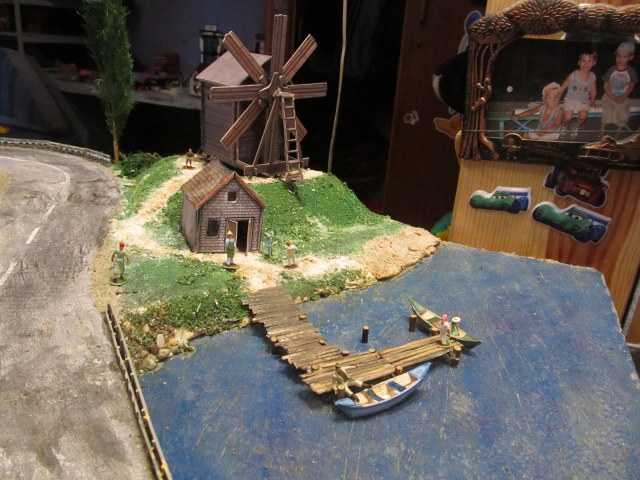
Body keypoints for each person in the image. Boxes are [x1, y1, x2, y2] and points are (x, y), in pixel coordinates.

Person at [601, 41, 638, 137]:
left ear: (630, 57)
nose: (620, 59)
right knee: (606, 113)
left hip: (623, 97)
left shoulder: (631, 71)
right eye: (618, 56)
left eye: (624, 56)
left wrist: (623, 96)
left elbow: (631, 85)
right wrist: (612, 97)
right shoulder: (611, 69)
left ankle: (619, 130)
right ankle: (601, 130)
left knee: (623, 116)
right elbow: (605, 85)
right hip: (609, 95)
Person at [560, 51, 597, 138]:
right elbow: (563, 86)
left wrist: (592, 102)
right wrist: (557, 97)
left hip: (583, 100)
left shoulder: (592, 76)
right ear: (579, 62)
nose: (586, 64)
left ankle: (575, 125)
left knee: (583, 116)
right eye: (583, 61)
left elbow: (593, 91)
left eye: (589, 61)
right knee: (568, 116)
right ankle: (564, 125)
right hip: (571, 98)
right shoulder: (573, 74)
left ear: (594, 63)